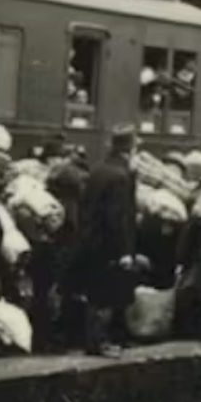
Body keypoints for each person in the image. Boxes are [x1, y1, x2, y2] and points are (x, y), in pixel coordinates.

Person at [68, 124, 141, 358]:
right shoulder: (121, 176)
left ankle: (94, 340)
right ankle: (99, 342)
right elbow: (117, 218)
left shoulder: (98, 170)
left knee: (95, 293)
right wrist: (124, 251)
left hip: (91, 241)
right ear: (129, 149)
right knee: (106, 295)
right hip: (108, 246)